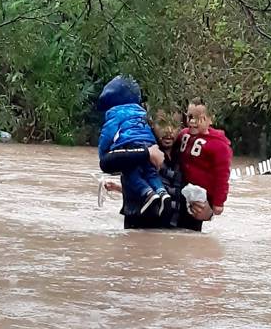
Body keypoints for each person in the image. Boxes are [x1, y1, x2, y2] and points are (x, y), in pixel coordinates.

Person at [100, 109, 214, 230]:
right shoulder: (137, 146)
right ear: (151, 123)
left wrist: (208, 212)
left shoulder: (193, 153)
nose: (169, 130)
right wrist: (146, 153)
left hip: (184, 239)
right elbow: (106, 163)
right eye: (162, 123)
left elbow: (212, 189)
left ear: (182, 126)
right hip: (143, 238)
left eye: (174, 124)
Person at [98, 76, 170, 216]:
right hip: (148, 143)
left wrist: (102, 152)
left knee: (131, 171)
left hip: (129, 143)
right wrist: (119, 188)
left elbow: (106, 141)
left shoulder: (115, 114)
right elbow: (108, 163)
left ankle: (148, 193)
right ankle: (161, 192)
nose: (168, 132)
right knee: (150, 172)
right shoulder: (143, 114)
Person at [178, 99, 232, 216]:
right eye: (190, 116)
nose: (192, 121)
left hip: (202, 197)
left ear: (210, 119)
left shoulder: (219, 145)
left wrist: (219, 202)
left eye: (199, 118)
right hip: (183, 190)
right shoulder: (183, 135)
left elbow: (222, 176)